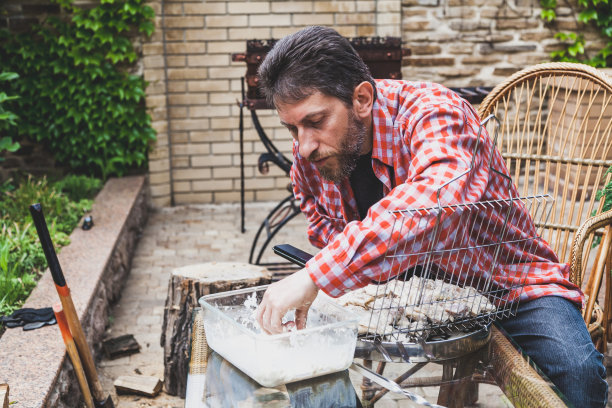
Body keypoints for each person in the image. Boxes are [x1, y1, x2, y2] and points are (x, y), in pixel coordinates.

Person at [254, 26, 608, 407]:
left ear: (361, 98)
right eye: (291, 128)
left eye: (315, 121)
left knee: (579, 373)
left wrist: (316, 274)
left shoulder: (436, 112)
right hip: (399, 293)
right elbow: (319, 217)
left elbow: (434, 205)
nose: (303, 146)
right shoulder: (310, 153)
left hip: (506, 282)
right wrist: (354, 277)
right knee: (308, 363)